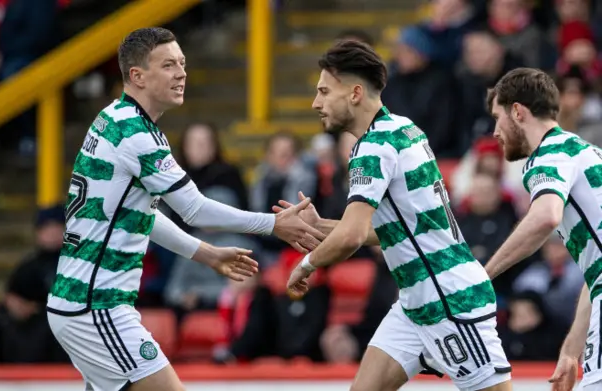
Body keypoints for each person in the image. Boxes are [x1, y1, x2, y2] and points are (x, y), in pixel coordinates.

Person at [46, 27, 324, 391]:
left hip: (81, 302)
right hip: (97, 306)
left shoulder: (115, 119)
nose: (181, 73)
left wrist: (205, 253)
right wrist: (272, 224)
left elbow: (142, 215)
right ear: (137, 76)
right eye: (168, 65)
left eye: (183, 63)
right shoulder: (136, 133)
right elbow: (193, 209)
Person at [276, 40, 512, 391]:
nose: (316, 103)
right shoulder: (403, 129)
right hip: (416, 304)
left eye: (324, 91)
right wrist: (320, 226)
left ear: (355, 93)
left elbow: (354, 236)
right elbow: (397, 229)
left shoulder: (371, 149)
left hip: (449, 301)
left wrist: (306, 264)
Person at [482, 67, 602, 391]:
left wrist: (482, 275)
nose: (495, 132)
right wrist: (571, 350)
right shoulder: (583, 152)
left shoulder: (548, 154)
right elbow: (597, 274)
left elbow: (545, 216)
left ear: (518, 112)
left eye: (498, 118)